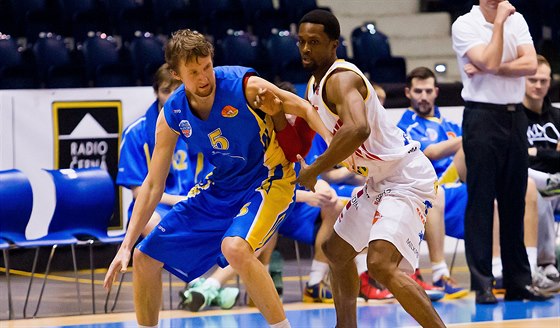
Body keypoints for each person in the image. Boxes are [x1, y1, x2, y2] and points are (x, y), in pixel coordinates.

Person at [103, 29, 330, 328]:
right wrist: (125, 247)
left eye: (207, 66)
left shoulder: (244, 85)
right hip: (223, 184)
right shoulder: (172, 113)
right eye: (193, 72)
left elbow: (302, 107)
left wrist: (338, 149)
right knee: (145, 259)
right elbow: (153, 185)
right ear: (176, 74)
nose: (203, 77)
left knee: (235, 248)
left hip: (269, 179)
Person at [295, 9, 445, 327]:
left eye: (315, 41)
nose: (306, 48)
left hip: (405, 176)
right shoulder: (314, 85)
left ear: (334, 44)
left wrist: (315, 170)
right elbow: (310, 118)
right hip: (378, 179)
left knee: (380, 265)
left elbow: (358, 129)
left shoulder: (341, 78)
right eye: (301, 41)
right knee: (335, 251)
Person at [451, 0, 551, 303]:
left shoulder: (517, 20)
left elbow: (530, 65)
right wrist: (497, 27)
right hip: (481, 116)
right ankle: (482, 284)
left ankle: (518, 281)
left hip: (514, 117)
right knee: (481, 201)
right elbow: (489, 59)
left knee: (514, 201)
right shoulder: (464, 24)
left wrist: (492, 69)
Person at [397, 66, 468, 299]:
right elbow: (431, 152)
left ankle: (497, 270)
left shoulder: (450, 125)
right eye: (418, 91)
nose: (424, 96)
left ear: (437, 92)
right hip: (426, 188)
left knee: (495, 198)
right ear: (408, 93)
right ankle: (440, 273)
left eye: (428, 91)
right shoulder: (405, 125)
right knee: (435, 194)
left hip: (458, 187)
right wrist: (470, 135)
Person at [522, 54, 560, 283]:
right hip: (529, 181)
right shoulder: (513, 116)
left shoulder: (557, 117)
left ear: (550, 82)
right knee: (538, 193)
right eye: (532, 79)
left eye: (543, 81)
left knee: (547, 189)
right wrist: (552, 155)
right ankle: (546, 263)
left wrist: (536, 152)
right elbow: (518, 157)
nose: (538, 85)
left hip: (557, 181)